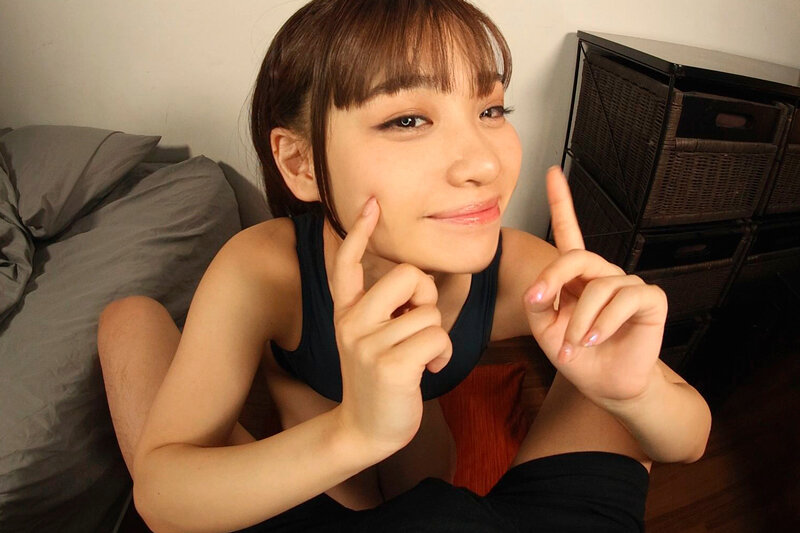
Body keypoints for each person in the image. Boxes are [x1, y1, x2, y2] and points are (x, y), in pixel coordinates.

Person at [97, 1, 712, 531]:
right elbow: (164, 494)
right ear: (301, 163)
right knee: (129, 318)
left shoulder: (522, 270)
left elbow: (689, 439)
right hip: (320, 416)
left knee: (422, 485)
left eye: (491, 109)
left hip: (420, 428)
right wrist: (353, 432)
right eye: (407, 120)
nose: (484, 164)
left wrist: (635, 393)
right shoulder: (264, 269)